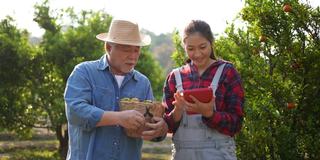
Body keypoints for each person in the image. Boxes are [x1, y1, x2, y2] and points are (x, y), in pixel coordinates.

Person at [64, 19, 168, 160]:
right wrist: (119, 118)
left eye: (136, 50)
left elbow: (148, 124)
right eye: (126, 50)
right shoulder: (84, 72)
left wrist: (160, 130)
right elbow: (75, 112)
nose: (133, 56)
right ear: (108, 47)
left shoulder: (142, 83)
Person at [162, 20, 245, 160]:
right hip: (183, 154)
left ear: (211, 43)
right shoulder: (175, 77)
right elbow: (166, 127)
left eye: (202, 47)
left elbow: (236, 124)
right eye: (191, 49)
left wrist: (210, 114)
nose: (198, 54)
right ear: (184, 47)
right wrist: (177, 112)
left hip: (219, 153)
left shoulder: (227, 72)